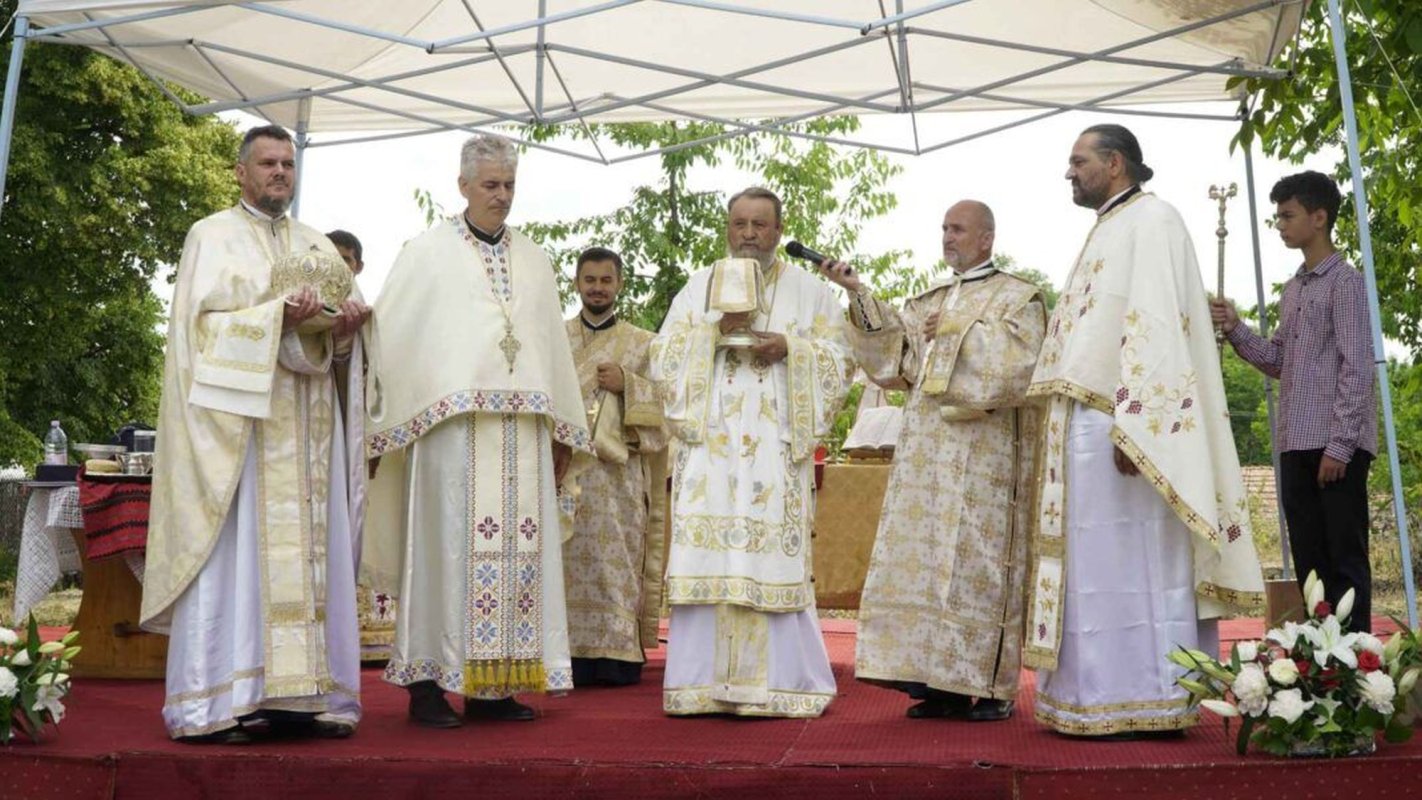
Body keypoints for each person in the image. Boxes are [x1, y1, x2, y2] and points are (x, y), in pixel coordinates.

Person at [1024, 124, 1264, 737]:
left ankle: (1150, 697)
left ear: (1114, 162)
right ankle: (1095, 693)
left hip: (1126, 426)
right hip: (1089, 427)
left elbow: (1158, 323)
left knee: (1138, 564)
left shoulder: (1154, 221)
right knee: (1098, 567)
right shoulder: (1110, 223)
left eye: (1078, 161)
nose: (1068, 172)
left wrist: (1142, 425)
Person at [142, 124, 371, 743]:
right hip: (241, 439)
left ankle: (301, 700)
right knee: (239, 565)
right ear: (241, 172)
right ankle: (218, 702)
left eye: (288, 165)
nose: (280, 174)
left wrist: (347, 326)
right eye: (268, 164)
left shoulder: (318, 244)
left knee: (310, 562)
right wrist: (278, 317)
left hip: (305, 440)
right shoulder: (210, 236)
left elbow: (337, 345)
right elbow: (198, 336)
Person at [364, 134, 592, 728]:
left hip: (522, 437)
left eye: (509, 185)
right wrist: (386, 420)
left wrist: (564, 428)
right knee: (443, 554)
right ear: (462, 185)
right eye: (490, 185)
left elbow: (550, 350)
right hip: (451, 436)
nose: (502, 196)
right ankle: (427, 685)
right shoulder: (427, 252)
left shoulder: (535, 258)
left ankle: (495, 686)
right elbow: (393, 337)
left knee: (517, 559)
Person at [821, 200, 1045, 722]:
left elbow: (1021, 367)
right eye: (944, 228)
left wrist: (956, 331)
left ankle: (991, 688)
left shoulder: (1020, 297)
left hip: (988, 464)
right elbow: (893, 364)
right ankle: (938, 684)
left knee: (978, 567)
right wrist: (858, 295)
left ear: (986, 238)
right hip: (927, 463)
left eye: (958, 229)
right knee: (927, 565)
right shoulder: (929, 299)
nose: (948, 237)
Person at [650, 187, 855, 718]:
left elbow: (841, 359)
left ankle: (783, 687)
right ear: (726, 228)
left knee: (769, 558)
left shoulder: (811, 292)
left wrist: (791, 348)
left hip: (772, 453)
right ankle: (699, 688)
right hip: (712, 459)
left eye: (759, 225)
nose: (748, 234)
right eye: (739, 223)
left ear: (778, 231)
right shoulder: (700, 287)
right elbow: (662, 358)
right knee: (711, 559)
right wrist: (716, 331)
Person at [1210, 171, 1377, 633]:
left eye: (1288, 215)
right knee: (1310, 562)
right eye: (1278, 216)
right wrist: (1235, 327)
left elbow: (1357, 367)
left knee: (1343, 558)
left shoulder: (1345, 283)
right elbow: (1279, 359)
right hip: (1295, 442)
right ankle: (1321, 665)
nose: (1280, 225)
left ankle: (1357, 667)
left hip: (1332, 445)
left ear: (1319, 218)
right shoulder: (1296, 288)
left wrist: (1340, 446)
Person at [563, 246, 669, 687]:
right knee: (564, 559)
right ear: (577, 284)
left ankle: (618, 652)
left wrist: (628, 385)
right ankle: (566, 650)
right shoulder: (555, 338)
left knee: (616, 561)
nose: (598, 288)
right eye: (590, 280)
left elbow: (668, 408)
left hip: (617, 479)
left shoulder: (642, 344)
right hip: (564, 470)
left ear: (619, 284)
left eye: (606, 280)